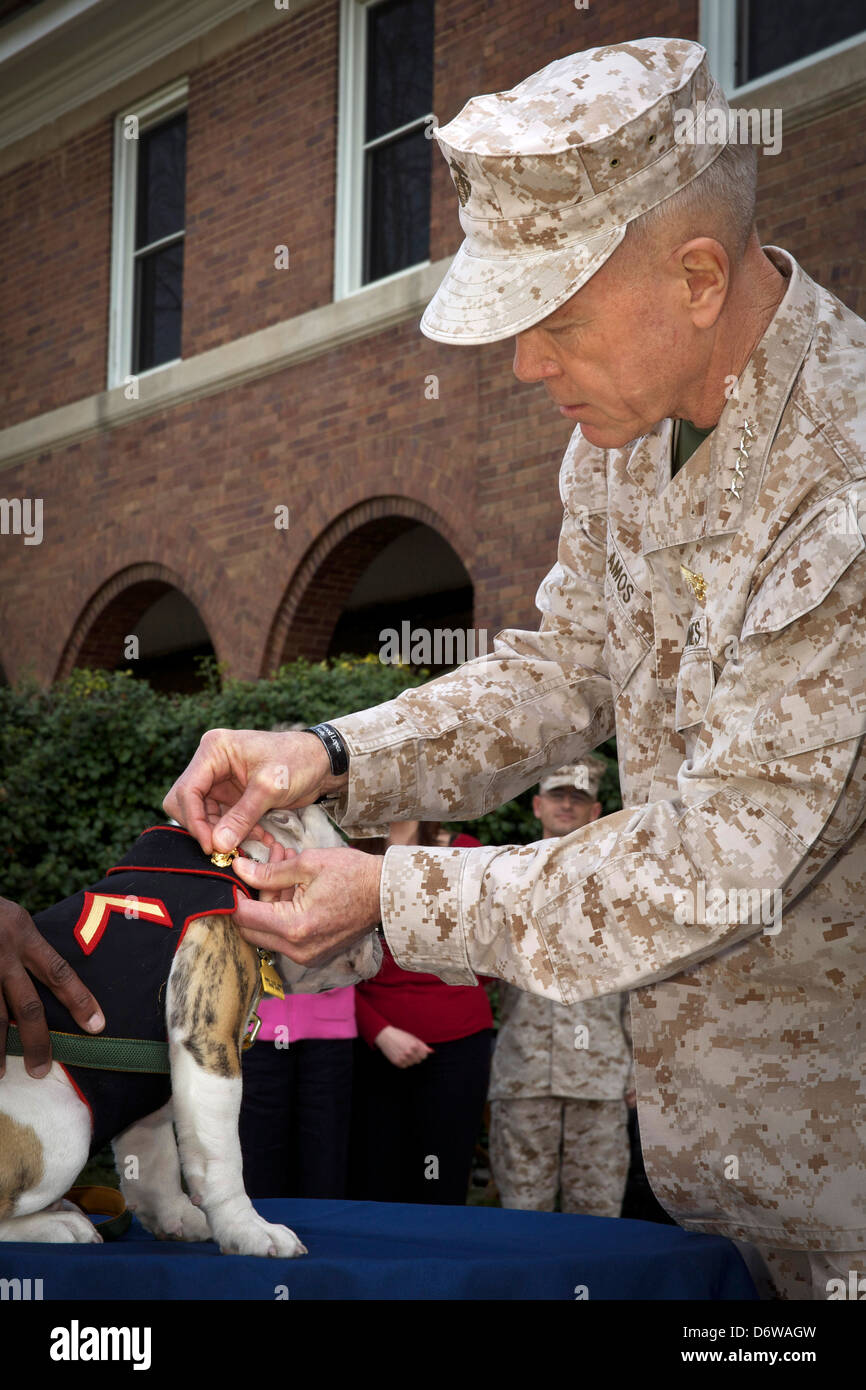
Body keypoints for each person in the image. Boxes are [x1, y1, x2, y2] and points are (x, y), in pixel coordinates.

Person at [11, 38, 865, 1300]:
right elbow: (563, 664)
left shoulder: (843, 484)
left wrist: (391, 896)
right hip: (715, 1190)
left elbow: (722, 858)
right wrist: (336, 755)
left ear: (695, 278)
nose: (523, 366)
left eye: (556, 322)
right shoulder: (631, 436)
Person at [488, 757, 633, 1218]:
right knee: (522, 1215)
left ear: (596, 811)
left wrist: (642, 1067)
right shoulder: (502, 876)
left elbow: (641, 982)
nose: (567, 805)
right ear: (536, 805)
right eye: (557, 796)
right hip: (524, 1071)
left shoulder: (622, 882)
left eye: (579, 797)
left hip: (603, 1074)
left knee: (599, 1216)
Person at [350, 821, 494, 1205]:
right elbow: (326, 968)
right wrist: (378, 1030)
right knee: (375, 1176)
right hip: (373, 1046)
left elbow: (490, 947)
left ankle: (441, 1265)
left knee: (442, 1174)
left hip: (459, 1044)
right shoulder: (348, 856)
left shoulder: (465, 853)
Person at [238, 984, 357, 1200]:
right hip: (256, 1020)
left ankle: (323, 1230)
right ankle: (257, 1225)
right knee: (257, 1153)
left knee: (325, 1154)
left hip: (329, 1020)